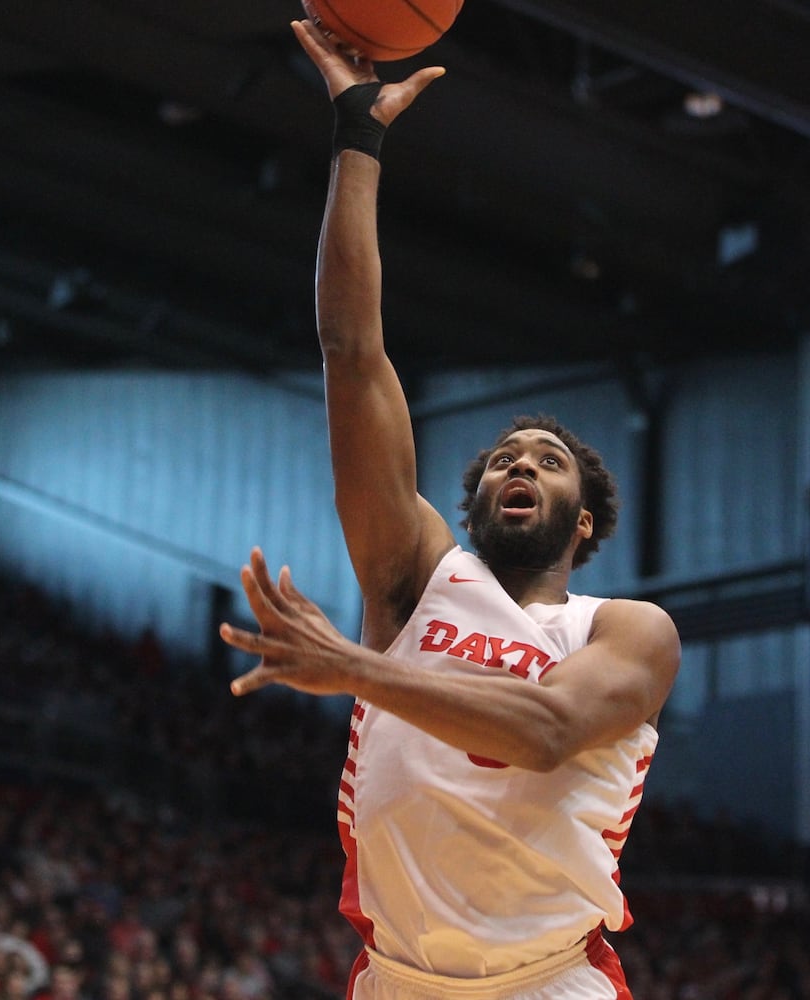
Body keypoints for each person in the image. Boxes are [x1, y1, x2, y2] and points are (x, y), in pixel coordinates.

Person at [217, 19, 681, 1000]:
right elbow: (352, 348)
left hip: (548, 981)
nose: (522, 463)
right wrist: (358, 138)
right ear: (473, 502)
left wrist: (352, 667)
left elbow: (550, 727)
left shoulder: (628, 632)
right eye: (506, 458)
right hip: (396, 980)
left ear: (583, 519)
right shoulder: (415, 577)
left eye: (548, 461)